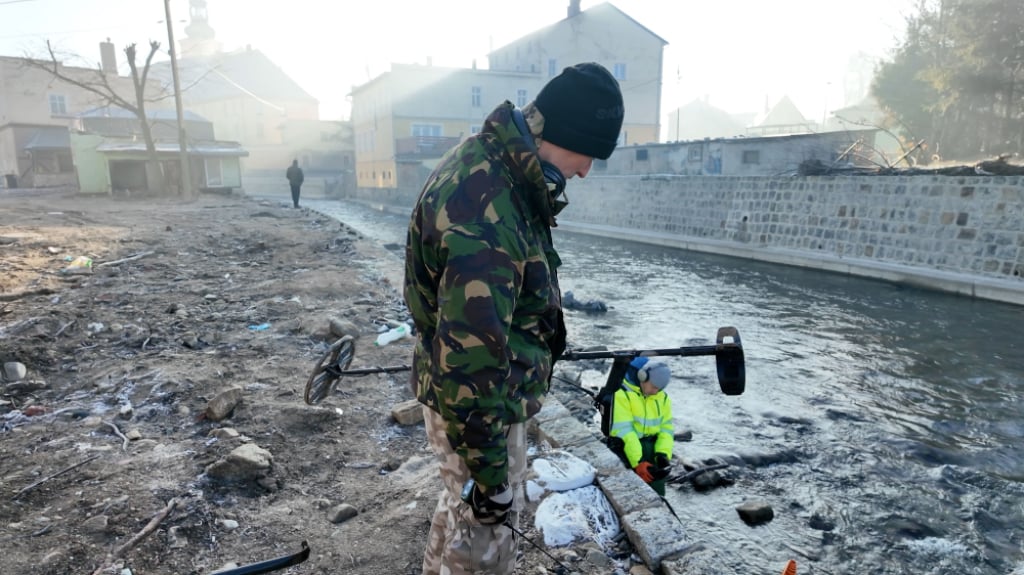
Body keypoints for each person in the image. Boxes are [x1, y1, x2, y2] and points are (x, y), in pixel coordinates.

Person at [404, 62, 624, 575]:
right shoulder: (488, 209)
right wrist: (491, 475)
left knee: (461, 509)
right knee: (486, 532)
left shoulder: (494, 164)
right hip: (481, 408)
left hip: (465, 397)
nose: (587, 170)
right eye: (586, 154)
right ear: (558, 135)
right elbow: (471, 366)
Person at [608, 357, 675, 496]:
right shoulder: (622, 394)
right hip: (627, 449)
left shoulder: (662, 397)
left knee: (657, 494)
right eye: (654, 387)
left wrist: (663, 453)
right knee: (632, 494)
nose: (656, 392)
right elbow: (624, 431)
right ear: (642, 377)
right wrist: (638, 462)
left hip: (652, 448)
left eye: (660, 388)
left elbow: (666, 428)